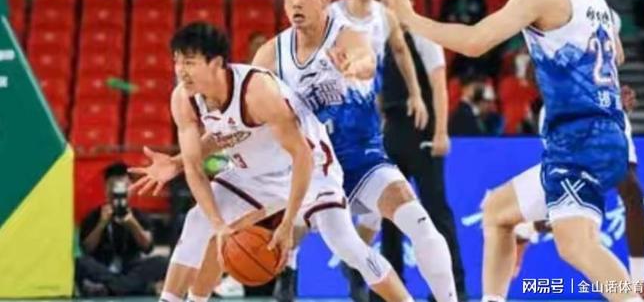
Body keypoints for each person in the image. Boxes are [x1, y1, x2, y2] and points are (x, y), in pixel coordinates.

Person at [381, 0, 643, 302]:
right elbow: (617, 54)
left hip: (579, 141)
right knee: (497, 212)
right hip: (601, 137)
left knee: (576, 245)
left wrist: (409, 17)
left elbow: (474, 42)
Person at [131, 22, 412, 302]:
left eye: (189, 62)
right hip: (252, 175)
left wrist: (288, 223)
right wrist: (217, 222)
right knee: (200, 221)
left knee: (346, 244)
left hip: (310, 169)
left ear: (215, 63)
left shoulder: (257, 90)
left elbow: (301, 155)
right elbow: (194, 167)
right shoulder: (183, 99)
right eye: (177, 61)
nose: (180, 70)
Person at [253, 0, 458, 302]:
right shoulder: (270, 55)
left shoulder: (347, 36)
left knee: (419, 222)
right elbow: (247, 107)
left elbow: (366, 60)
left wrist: (354, 67)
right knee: (337, 242)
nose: (296, 2)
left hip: (360, 156)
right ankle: (292, 268)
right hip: (312, 168)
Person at [511, 0, 644, 298]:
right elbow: (534, 70)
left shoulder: (609, 17)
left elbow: (608, 68)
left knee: (630, 191)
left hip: (605, 116)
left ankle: (638, 284)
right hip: (569, 119)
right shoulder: (555, 3)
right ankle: (525, 228)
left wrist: (619, 93)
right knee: (577, 209)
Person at [326, 0, 429, 302]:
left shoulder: (385, 16)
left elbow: (400, 51)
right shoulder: (332, 15)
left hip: (370, 121)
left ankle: (356, 263)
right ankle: (292, 271)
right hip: (332, 120)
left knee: (373, 205)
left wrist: (416, 94)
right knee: (326, 199)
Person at [376, 0, 468, 301]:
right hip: (393, 130)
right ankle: (390, 291)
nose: (382, 2)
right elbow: (379, 88)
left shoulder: (424, 34)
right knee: (388, 216)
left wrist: (441, 132)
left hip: (423, 132)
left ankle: (454, 289)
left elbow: (439, 86)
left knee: (435, 210)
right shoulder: (380, 37)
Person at [76, 162, 167, 296]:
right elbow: (86, 249)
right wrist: (101, 224)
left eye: (123, 187)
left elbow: (148, 248)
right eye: (113, 187)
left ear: (130, 188)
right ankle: (136, 288)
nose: (118, 192)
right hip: (103, 267)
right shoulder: (94, 215)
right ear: (106, 189)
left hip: (131, 268)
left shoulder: (138, 215)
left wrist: (132, 224)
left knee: (161, 262)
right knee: (80, 263)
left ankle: (110, 289)